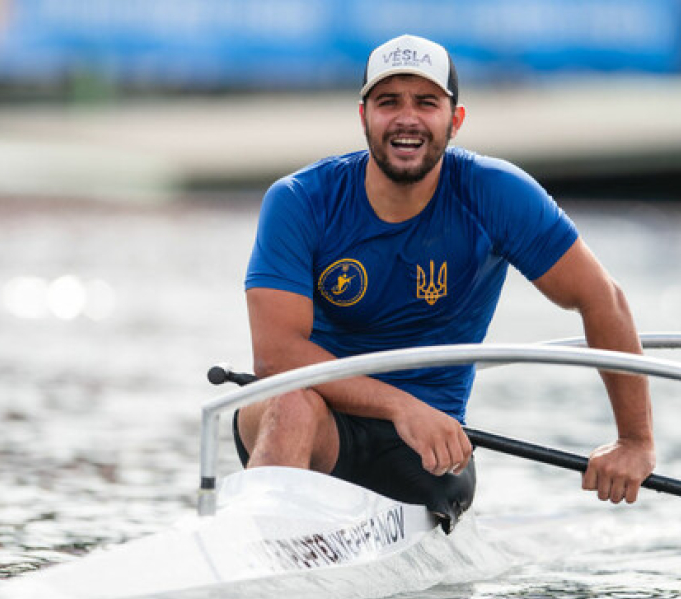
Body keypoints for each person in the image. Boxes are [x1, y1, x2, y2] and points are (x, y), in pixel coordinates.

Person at [235, 34, 655, 532]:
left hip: (426, 449)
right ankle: (258, 544)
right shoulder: (300, 200)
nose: (407, 118)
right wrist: (400, 405)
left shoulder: (496, 194)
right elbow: (277, 357)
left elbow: (600, 298)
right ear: (364, 116)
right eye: (388, 102)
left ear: (454, 121)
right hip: (313, 418)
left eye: (426, 103)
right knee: (291, 399)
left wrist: (634, 442)